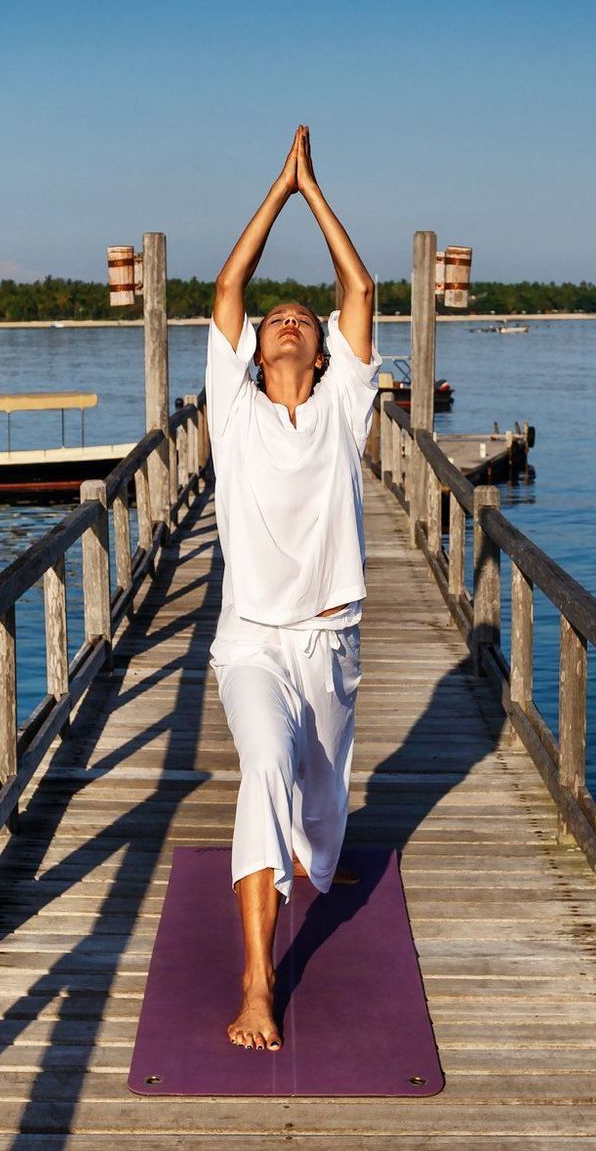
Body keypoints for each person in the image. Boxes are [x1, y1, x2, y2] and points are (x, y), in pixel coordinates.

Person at [205, 125, 378, 1053]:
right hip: (250, 641)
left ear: (318, 355)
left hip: (331, 640)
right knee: (263, 768)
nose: (284, 320)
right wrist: (277, 189)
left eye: (300, 322)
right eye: (276, 319)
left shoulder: (344, 407)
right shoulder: (233, 410)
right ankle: (257, 978)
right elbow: (229, 288)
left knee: (321, 821)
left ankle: (316, 857)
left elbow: (360, 290)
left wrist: (319, 193)